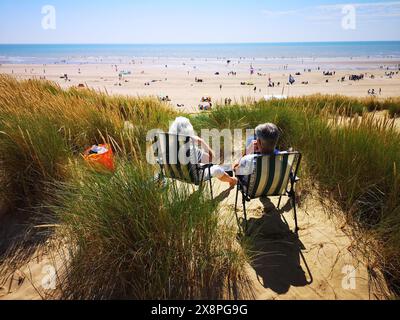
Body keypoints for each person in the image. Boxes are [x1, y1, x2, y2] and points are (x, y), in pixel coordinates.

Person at [169, 117, 237, 188]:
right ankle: (232, 180)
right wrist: (201, 141)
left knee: (198, 163)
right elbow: (211, 159)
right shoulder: (191, 149)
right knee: (217, 169)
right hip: (194, 177)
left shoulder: (168, 148)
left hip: (174, 174)